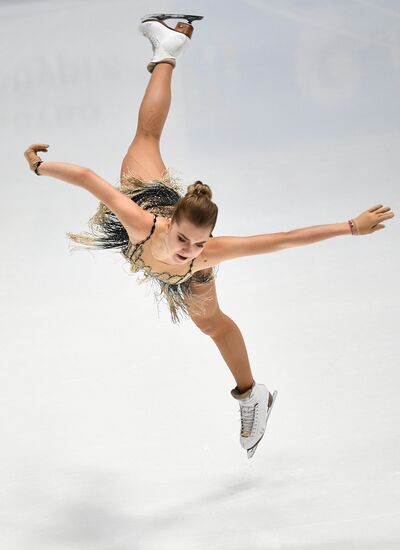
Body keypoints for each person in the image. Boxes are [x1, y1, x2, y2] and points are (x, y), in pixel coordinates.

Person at [24, 13, 395, 459]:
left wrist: (351, 227)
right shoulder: (141, 220)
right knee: (145, 136)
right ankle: (168, 48)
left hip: (187, 276)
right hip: (149, 197)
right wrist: (40, 166)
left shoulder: (205, 256)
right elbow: (85, 176)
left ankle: (252, 395)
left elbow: (285, 238)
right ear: (173, 221)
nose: (189, 251)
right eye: (185, 240)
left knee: (211, 324)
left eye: (199, 244)